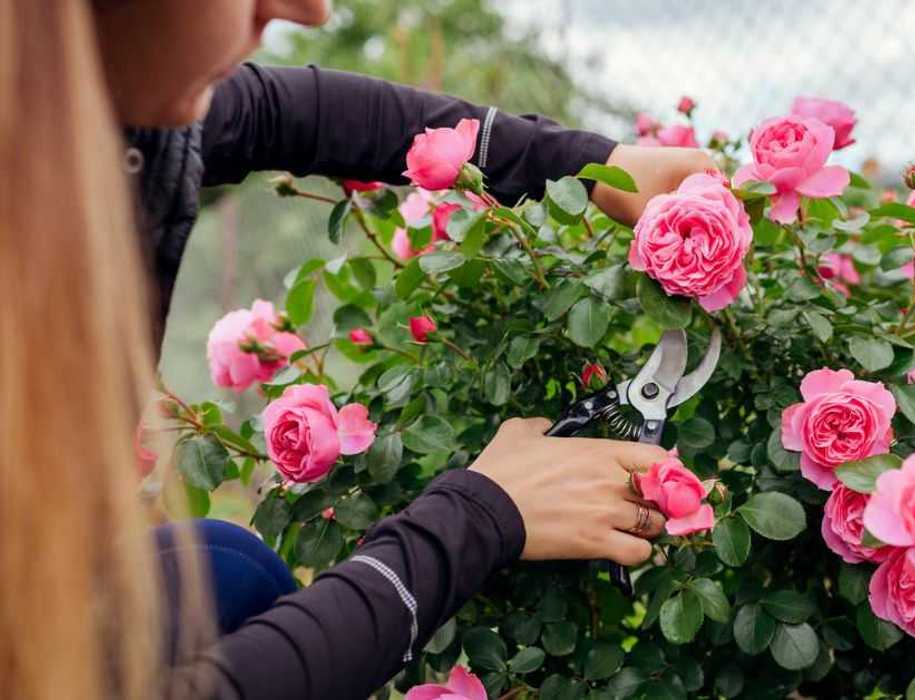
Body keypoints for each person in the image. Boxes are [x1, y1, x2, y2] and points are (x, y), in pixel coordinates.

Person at [0, 1, 713, 698]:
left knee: (229, 572)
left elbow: (292, 114)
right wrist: (479, 517)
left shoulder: (81, 117)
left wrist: (598, 166)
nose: (308, 11)